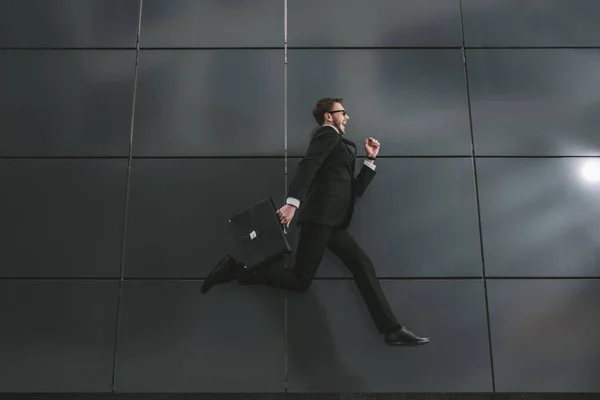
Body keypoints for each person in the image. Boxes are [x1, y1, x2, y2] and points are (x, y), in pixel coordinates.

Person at [202, 97, 429, 346]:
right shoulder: (327, 135)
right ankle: (236, 269)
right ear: (328, 116)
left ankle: (391, 329)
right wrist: (292, 204)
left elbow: (353, 191)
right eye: (343, 112)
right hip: (319, 219)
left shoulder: (339, 144)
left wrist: (370, 160)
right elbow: (308, 166)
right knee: (301, 280)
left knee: (362, 264)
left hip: (333, 223)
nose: (347, 117)